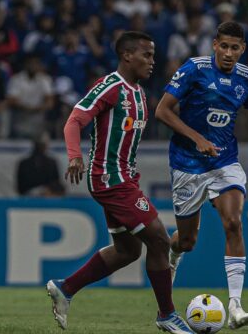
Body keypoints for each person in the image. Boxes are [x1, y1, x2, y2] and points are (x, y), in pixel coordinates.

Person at [46, 31, 192, 334]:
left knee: (128, 251)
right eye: (146, 55)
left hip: (125, 178)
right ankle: (167, 315)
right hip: (110, 179)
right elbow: (74, 120)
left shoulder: (137, 92)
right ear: (127, 55)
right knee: (160, 240)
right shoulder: (110, 87)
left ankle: (66, 288)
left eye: (153, 55)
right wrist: (74, 156)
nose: (153, 61)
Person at [155, 21, 248, 330]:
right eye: (224, 46)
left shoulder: (247, 78)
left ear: (243, 49)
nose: (228, 53)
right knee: (187, 241)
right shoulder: (193, 69)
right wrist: (197, 138)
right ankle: (173, 255)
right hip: (187, 163)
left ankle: (236, 307)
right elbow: (163, 110)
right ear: (214, 44)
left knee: (233, 222)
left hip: (224, 161)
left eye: (235, 48)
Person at [16, 132, 65, 197]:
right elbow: (20, 188)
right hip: (29, 199)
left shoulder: (52, 163)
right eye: (40, 144)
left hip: (48, 199)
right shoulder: (24, 163)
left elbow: (57, 185)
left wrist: (47, 191)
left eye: (42, 145)